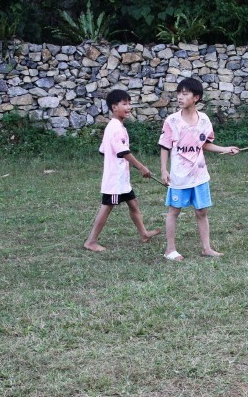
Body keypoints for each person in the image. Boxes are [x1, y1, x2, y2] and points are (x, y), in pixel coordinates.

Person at [159, 77, 239, 261]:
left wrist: (226, 149)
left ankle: (206, 248)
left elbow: (205, 144)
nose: (180, 97)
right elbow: (164, 146)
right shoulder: (172, 121)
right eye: (179, 93)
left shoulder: (204, 120)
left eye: (185, 94)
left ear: (196, 97)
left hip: (200, 176)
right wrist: (164, 170)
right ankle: (170, 250)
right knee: (174, 211)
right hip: (179, 177)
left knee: (202, 212)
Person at [83, 89, 161, 252]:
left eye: (129, 103)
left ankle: (144, 234)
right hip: (115, 180)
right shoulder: (116, 128)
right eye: (124, 104)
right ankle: (91, 241)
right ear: (114, 107)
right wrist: (141, 167)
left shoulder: (115, 126)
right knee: (107, 207)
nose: (129, 107)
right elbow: (123, 152)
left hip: (122, 178)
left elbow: (103, 150)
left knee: (133, 204)